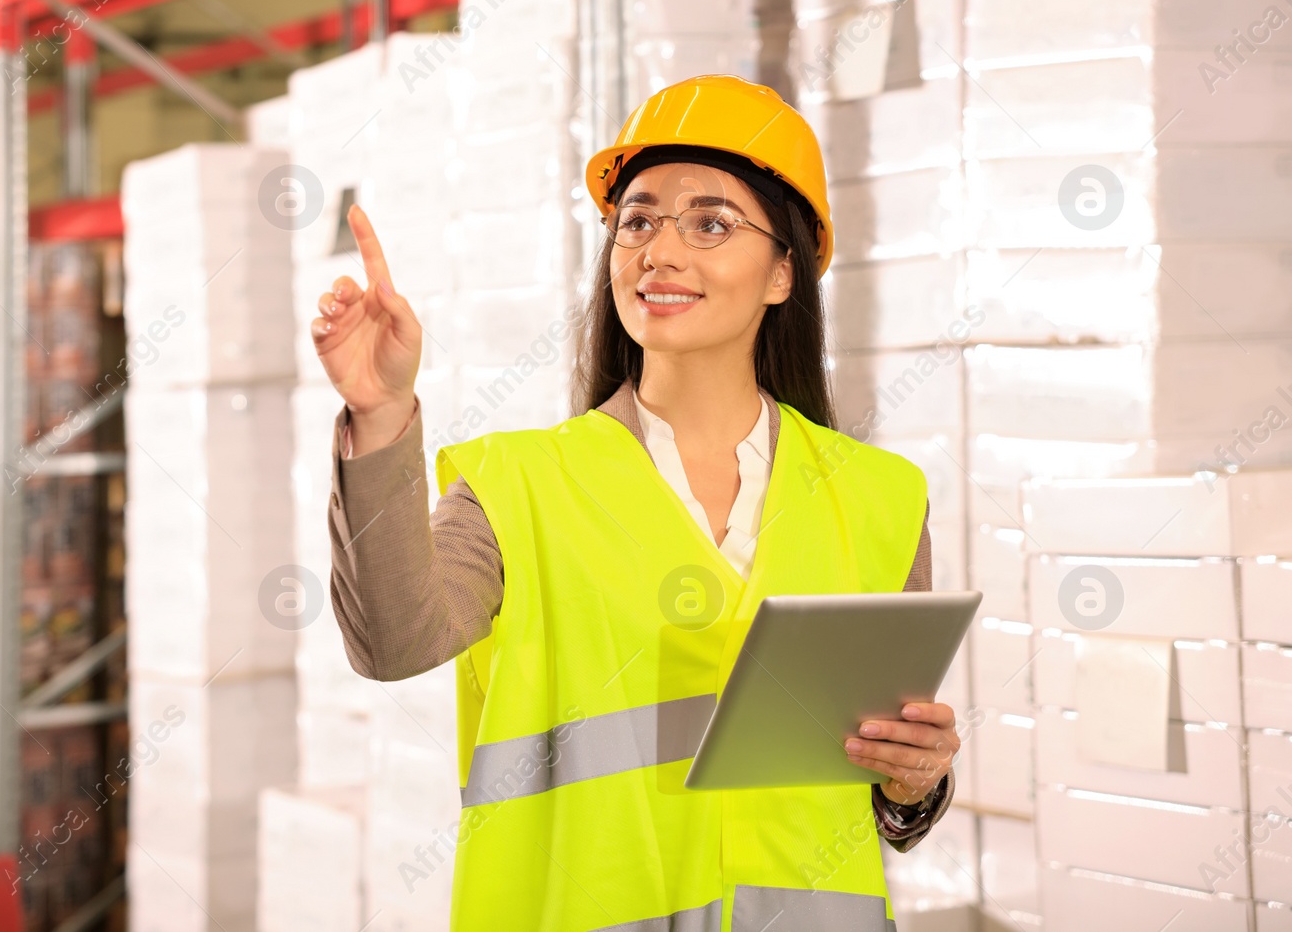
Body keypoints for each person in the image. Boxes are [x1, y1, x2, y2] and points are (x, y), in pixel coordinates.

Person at [311, 75, 959, 931]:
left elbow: (881, 778)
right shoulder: (524, 486)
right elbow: (392, 641)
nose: (659, 250)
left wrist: (918, 783)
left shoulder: (880, 499)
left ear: (782, 274)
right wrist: (383, 414)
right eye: (639, 221)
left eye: (711, 223)